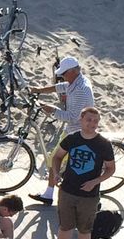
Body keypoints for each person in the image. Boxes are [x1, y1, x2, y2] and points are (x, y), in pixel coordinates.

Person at [42, 107, 116, 239]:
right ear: (81, 120)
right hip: (68, 190)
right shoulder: (72, 138)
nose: (92, 124)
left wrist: (95, 181)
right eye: (89, 120)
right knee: (65, 227)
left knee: (85, 230)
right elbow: (57, 156)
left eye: (95, 121)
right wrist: (55, 173)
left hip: (89, 196)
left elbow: (110, 168)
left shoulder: (103, 144)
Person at [28, 56, 95, 205]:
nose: (62, 76)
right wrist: (40, 90)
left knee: (54, 160)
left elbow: (72, 117)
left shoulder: (81, 90)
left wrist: (52, 110)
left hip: (77, 133)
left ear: (72, 71)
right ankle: (49, 193)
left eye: (64, 73)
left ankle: (49, 195)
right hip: (71, 130)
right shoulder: (75, 82)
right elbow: (61, 86)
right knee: (56, 161)